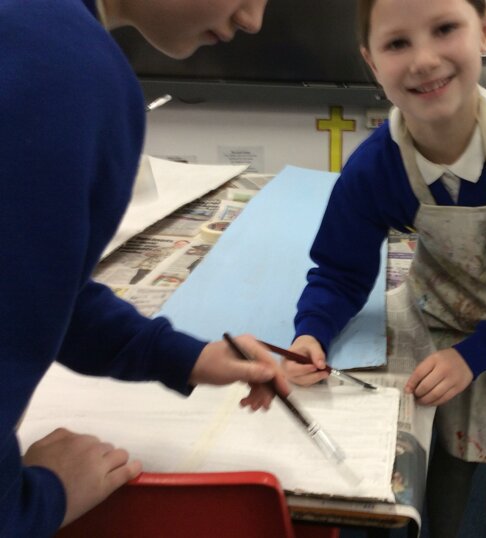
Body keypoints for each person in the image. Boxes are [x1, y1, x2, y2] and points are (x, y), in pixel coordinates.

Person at [286, 0, 486, 536]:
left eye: (445, 29)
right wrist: (312, 331)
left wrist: (478, 355)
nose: (424, 60)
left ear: (485, 30)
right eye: (397, 43)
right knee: (449, 453)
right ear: (371, 61)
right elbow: (340, 271)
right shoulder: (375, 168)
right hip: (444, 320)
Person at [0, 0, 285, 536]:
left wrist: (184, 356)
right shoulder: (70, 71)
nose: (253, 20)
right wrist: (43, 499)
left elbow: (41, 287)